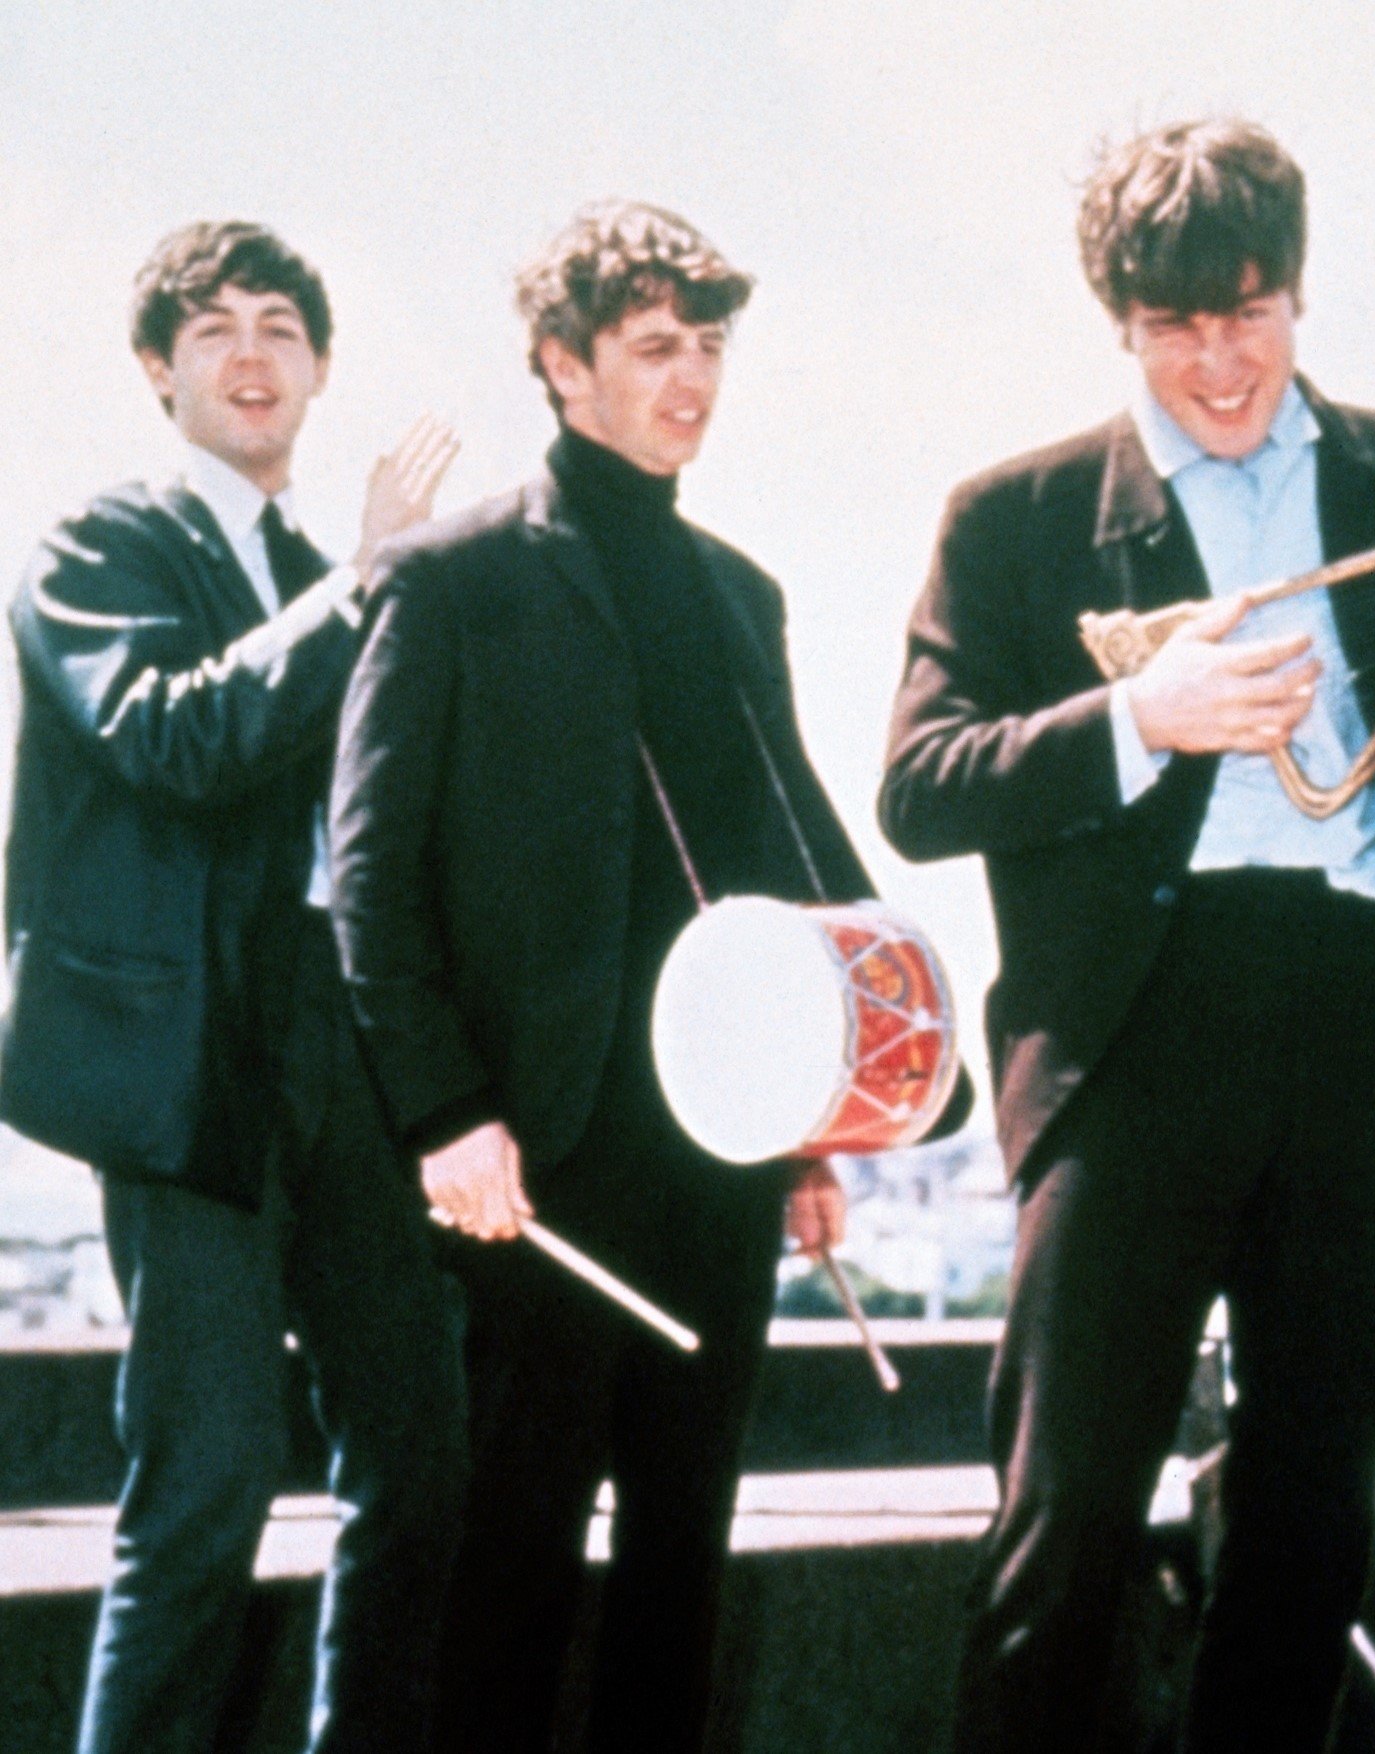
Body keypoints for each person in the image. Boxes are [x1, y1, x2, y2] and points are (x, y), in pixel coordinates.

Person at [881, 119, 1375, 1753]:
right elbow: (918, 786)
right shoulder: (1018, 515)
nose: (1219, 357)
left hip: (1361, 1017)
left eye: (1247, 311)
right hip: (1133, 1038)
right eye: (1176, 324)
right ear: (1119, 320)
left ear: (1299, 295)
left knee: (1314, 1529)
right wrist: (1140, 719)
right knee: (1068, 1523)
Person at [330, 199, 958, 1754]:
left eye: (711, 345)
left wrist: (821, 1131)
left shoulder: (742, 594)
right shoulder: (447, 578)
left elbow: (781, 866)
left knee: (686, 1564)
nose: (692, 380)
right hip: (529, 1171)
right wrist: (447, 1117)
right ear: (561, 363)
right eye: (653, 346)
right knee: (510, 1568)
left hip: (718, 1164)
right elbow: (366, 880)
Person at [0, 221, 462, 1754]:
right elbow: (173, 739)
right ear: (159, 370)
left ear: (320, 367)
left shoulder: (335, 579)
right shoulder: (102, 543)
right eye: (213, 332)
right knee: (201, 1489)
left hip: (342, 1051)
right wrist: (366, 587)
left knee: (421, 1443)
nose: (252, 353)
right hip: (193, 1070)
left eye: (281, 326)